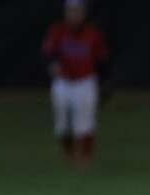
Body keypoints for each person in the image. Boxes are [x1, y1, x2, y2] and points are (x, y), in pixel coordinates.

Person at [42, 1, 107, 168]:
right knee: (62, 123)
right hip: (63, 82)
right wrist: (52, 64)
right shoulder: (58, 31)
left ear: (83, 13)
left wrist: (103, 84)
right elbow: (48, 53)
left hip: (85, 81)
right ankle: (68, 154)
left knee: (85, 123)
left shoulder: (92, 33)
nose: (74, 14)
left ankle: (85, 157)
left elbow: (102, 60)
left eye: (77, 11)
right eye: (71, 11)